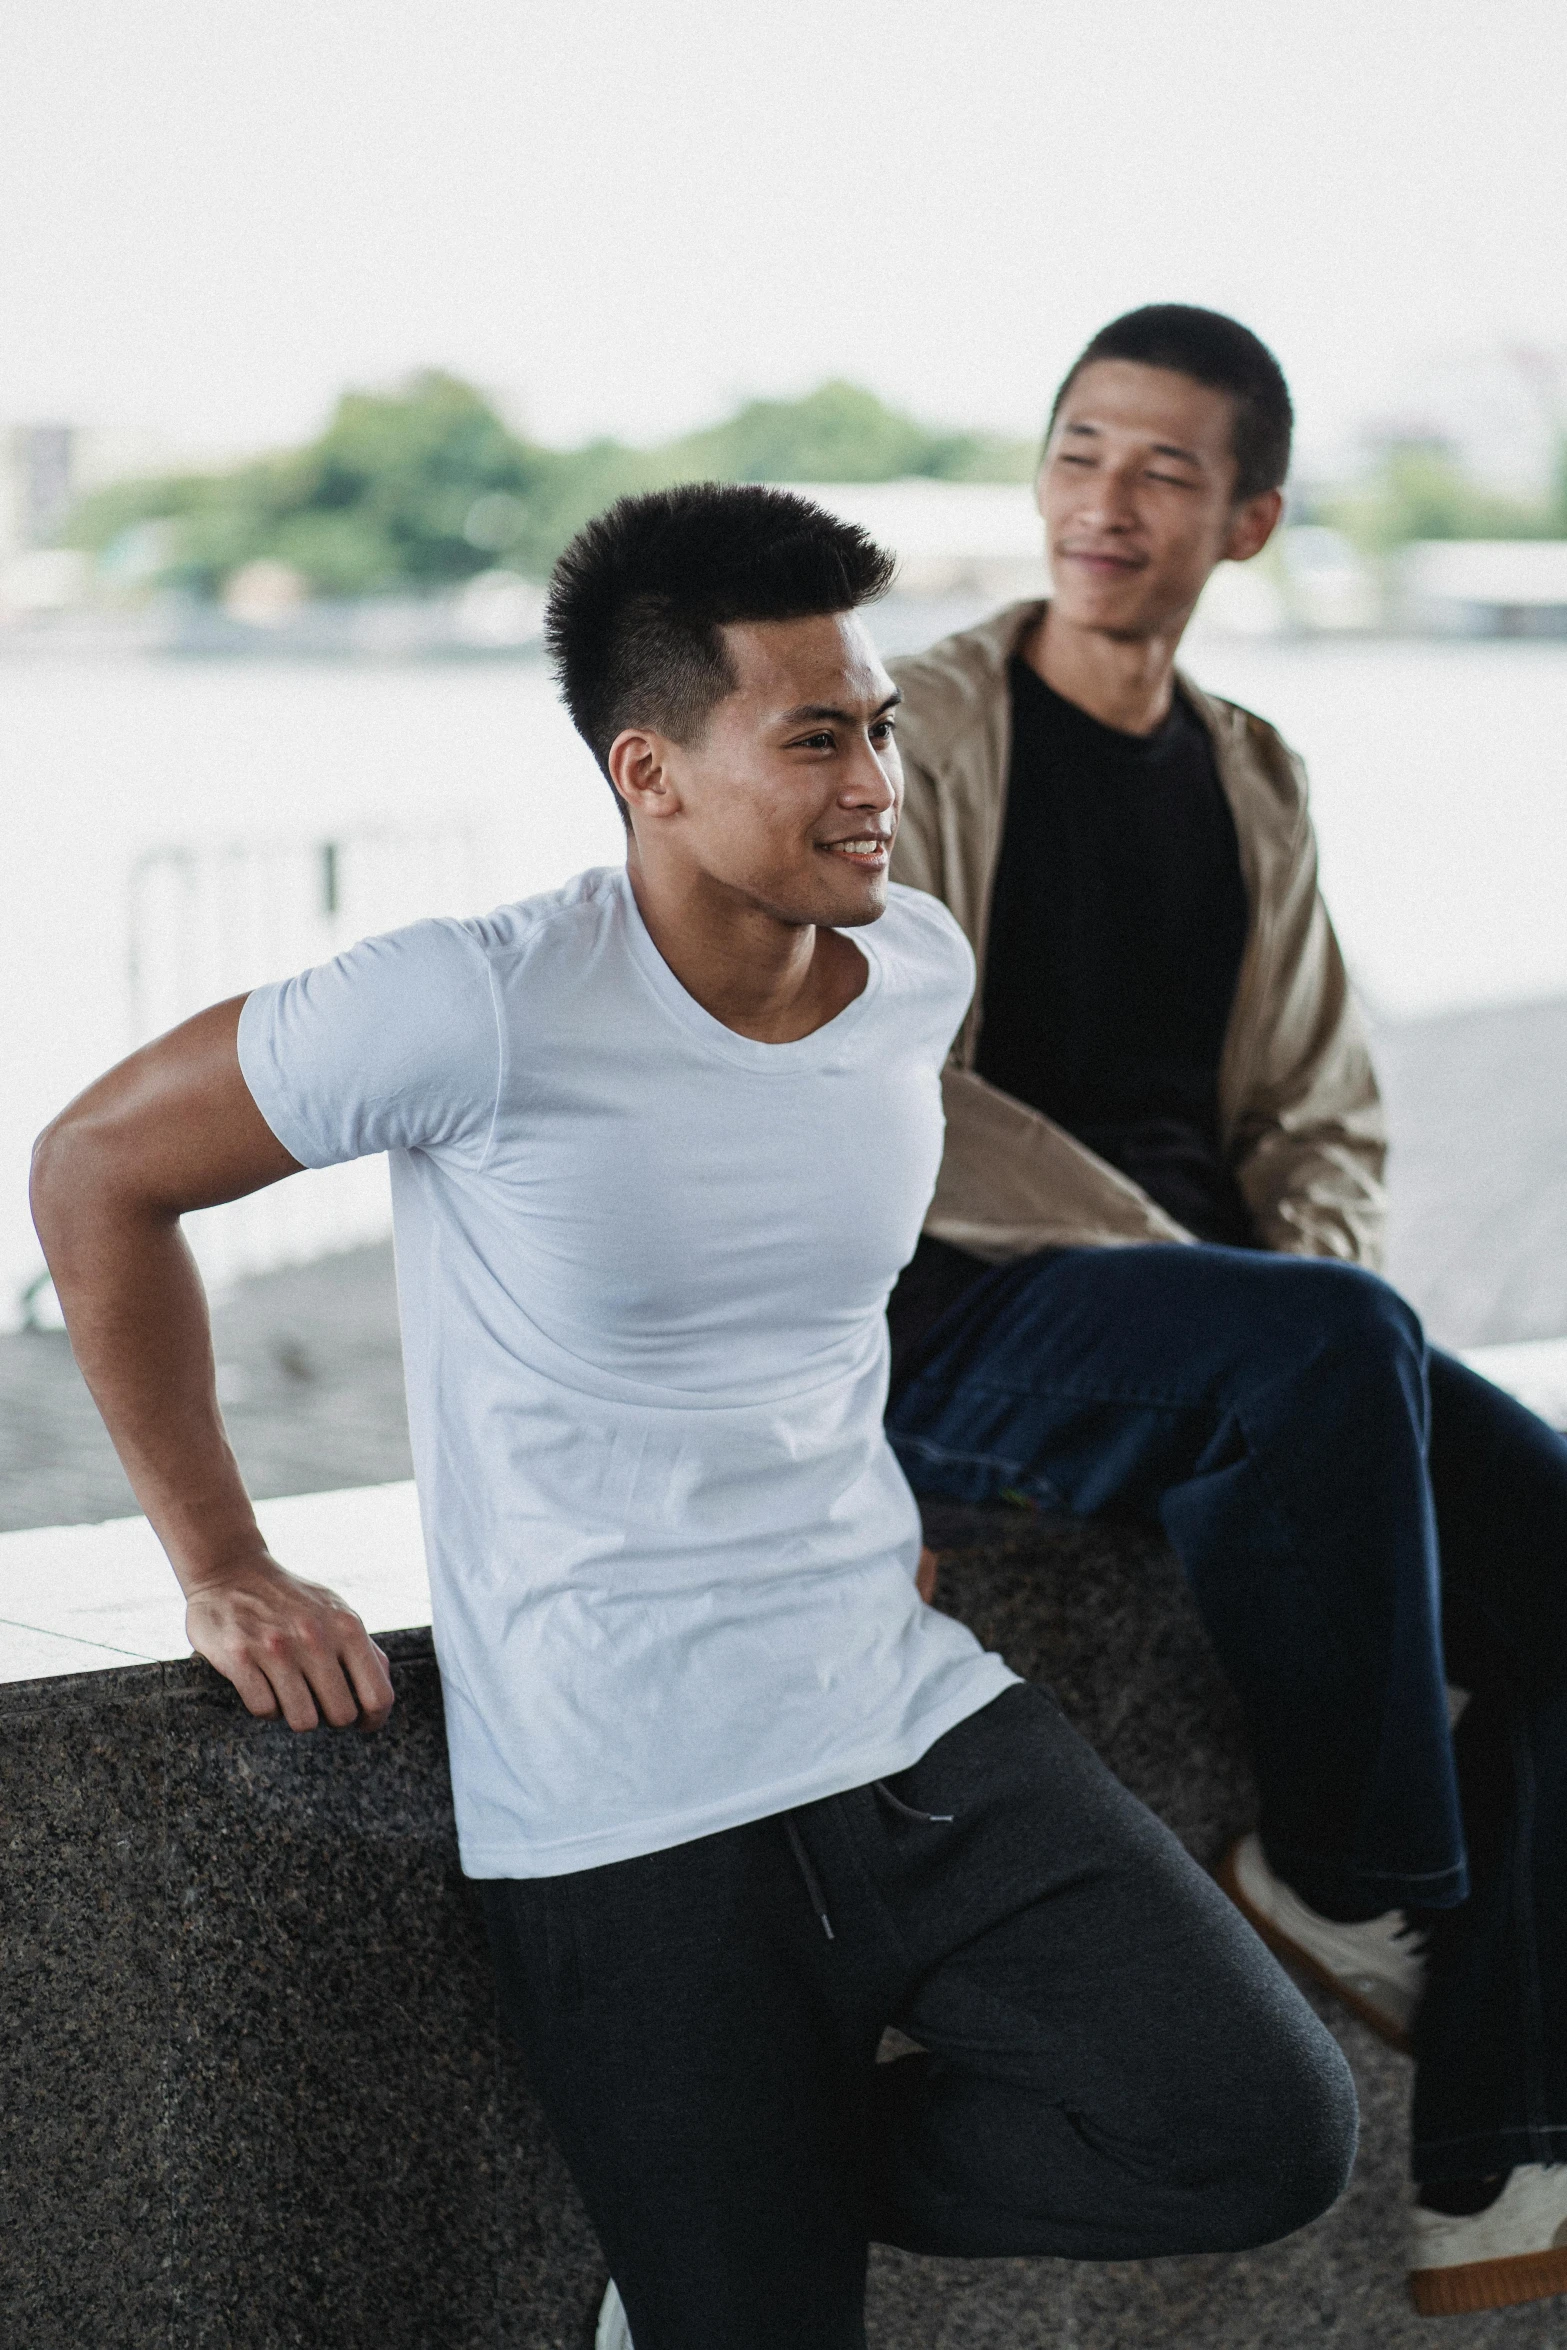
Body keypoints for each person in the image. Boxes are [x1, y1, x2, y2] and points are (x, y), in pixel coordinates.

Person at [30, 482, 1354, 2350]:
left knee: (1253, 2127)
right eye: (814, 738)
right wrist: (222, 1557)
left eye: (878, 725)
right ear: (648, 768)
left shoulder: (910, 971)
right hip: (627, 1815)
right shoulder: (475, 1004)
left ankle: (734, 2187)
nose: (876, 781)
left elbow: (799, 1281)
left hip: (906, 1726)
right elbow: (93, 1164)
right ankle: (714, 2224)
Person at [883, 303, 1567, 2319]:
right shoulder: (917, 727)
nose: (1108, 501)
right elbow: (881, 1077)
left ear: (1245, 521)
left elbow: (1317, 1109)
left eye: (1167, 469)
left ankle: (1493, 2158)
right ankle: (1358, 1873)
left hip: (1251, 1347)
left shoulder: (1251, 771)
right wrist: (1206, 1281)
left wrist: (1306, 1293)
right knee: (1318, 1344)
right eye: (1081, 450)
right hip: (968, 1321)